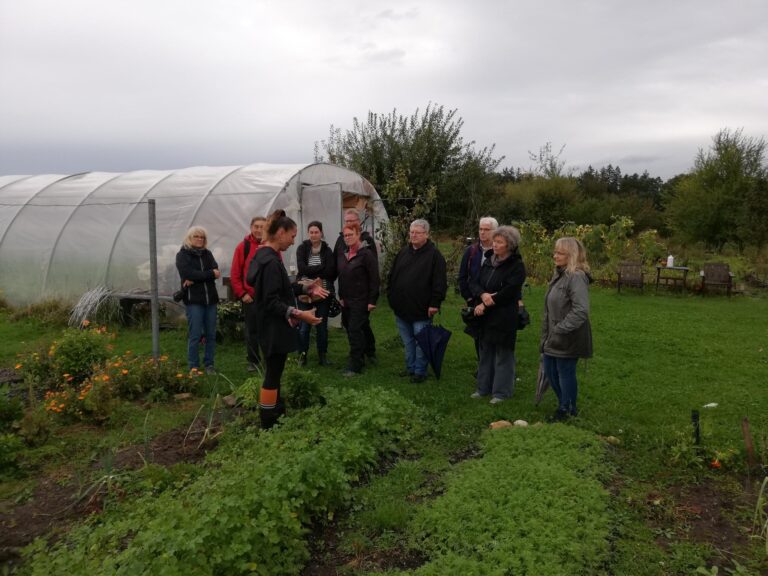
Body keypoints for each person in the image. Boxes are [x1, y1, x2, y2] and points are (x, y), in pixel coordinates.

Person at [246, 210, 328, 429]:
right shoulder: (271, 263)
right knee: (272, 374)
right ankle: (268, 422)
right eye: (292, 236)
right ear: (280, 232)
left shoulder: (265, 256)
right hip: (273, 327)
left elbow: (280, 287)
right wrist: (299, 313)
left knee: (275, 370)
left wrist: (305, 286)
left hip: (269, 326)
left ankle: (276, 412)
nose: (293, 241)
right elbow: (271, 301)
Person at [469, 226, 526, 404]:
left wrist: (486, 303)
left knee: (503, 354)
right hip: (486, 315)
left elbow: (509, 291)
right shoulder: (488, 260)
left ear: (510, 245)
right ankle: (483, 388)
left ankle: (501, 392)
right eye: (495, 241)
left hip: (504, 315)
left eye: (499, 242)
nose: (495, 244)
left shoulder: (517, 266)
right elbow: (475, 282)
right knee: (485, 351)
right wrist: (482, 295)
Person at [387, 219, 447, 383]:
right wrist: (391, 296)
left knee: (421, 342)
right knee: (408, 342)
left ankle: (420, 372)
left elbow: (440, 282)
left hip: (422, 309)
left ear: (426, 235)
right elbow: (392, 275)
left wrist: (435, 303)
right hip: (401, 307)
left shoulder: (434, 256)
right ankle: (411, 368)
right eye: (411, 232)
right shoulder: (403, 252)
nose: (413, 235)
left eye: (417, 232)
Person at [541, 237, 593, 421]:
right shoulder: (560, 274)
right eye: (555, 252)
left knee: (564, 371)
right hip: (554, 335)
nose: (555, 256)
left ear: (572, 255)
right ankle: (565, 404)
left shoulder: (576, 277)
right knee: (550, 369)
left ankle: (567, 408)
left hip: (569, 336)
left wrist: (560, 328)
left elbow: (581, 310)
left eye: (560, 253)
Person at [333, 207, 378, 364]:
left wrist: (372, 299)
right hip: (347, 296)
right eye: (346, 222)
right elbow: (336, 264)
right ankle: (360, 351)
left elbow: (373, 274)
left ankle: (362, 356)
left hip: (361, 296)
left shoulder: (367, 246)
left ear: (358, 226)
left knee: (356, 327)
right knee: (353, 325)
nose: (347, 237)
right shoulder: (341, 242)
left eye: (352, 222)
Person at [175, 226, 220, 374]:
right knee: (195, 334)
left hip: (210, 300)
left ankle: (209, 364)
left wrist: (196, 277)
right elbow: (187, 273)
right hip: (194, 301)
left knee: (211, 335)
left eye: (202, 237)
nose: (200, 239)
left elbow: (217, 271)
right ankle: (193, 366)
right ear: (189, 238)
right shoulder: (182, 255)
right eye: (196, 236)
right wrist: (208, 274)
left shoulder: (208, 254)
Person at [458, 216, 499, 358]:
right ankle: (482, 366)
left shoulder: (501, 252)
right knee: (478, 335)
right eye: (480, 229)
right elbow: (462, 276)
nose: (482, 232)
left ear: (495, 231)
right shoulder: (471, 251)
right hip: (475, 300)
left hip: (496, 300)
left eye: (486, 229)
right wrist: (469, 297)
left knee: (495, 336)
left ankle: (494, 368)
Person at [296, 221, 335, 366]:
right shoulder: (302, 248)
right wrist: (320, 268)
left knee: (321, 325)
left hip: (322, 292)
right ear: (308, 233)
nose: (313, 235)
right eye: (311, 232)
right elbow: (302, 268)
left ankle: (322, 356)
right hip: (304, 292)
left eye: (316, 232)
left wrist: (310, 270)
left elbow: (330, 270)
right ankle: (302, 356)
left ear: (321, 233)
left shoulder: (327, 250)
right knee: (304, 326)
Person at [230, 215, 265, 372]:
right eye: (256, 226)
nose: (259, 230)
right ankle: (253, 360)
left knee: (268, 329)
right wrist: (243, 294)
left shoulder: (270, 246)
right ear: (251, 227)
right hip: (250, 297)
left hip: (267, 296)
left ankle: (268, 358)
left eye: (262, 227)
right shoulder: (242, 247)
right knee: (252, 331)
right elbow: (235, 274)